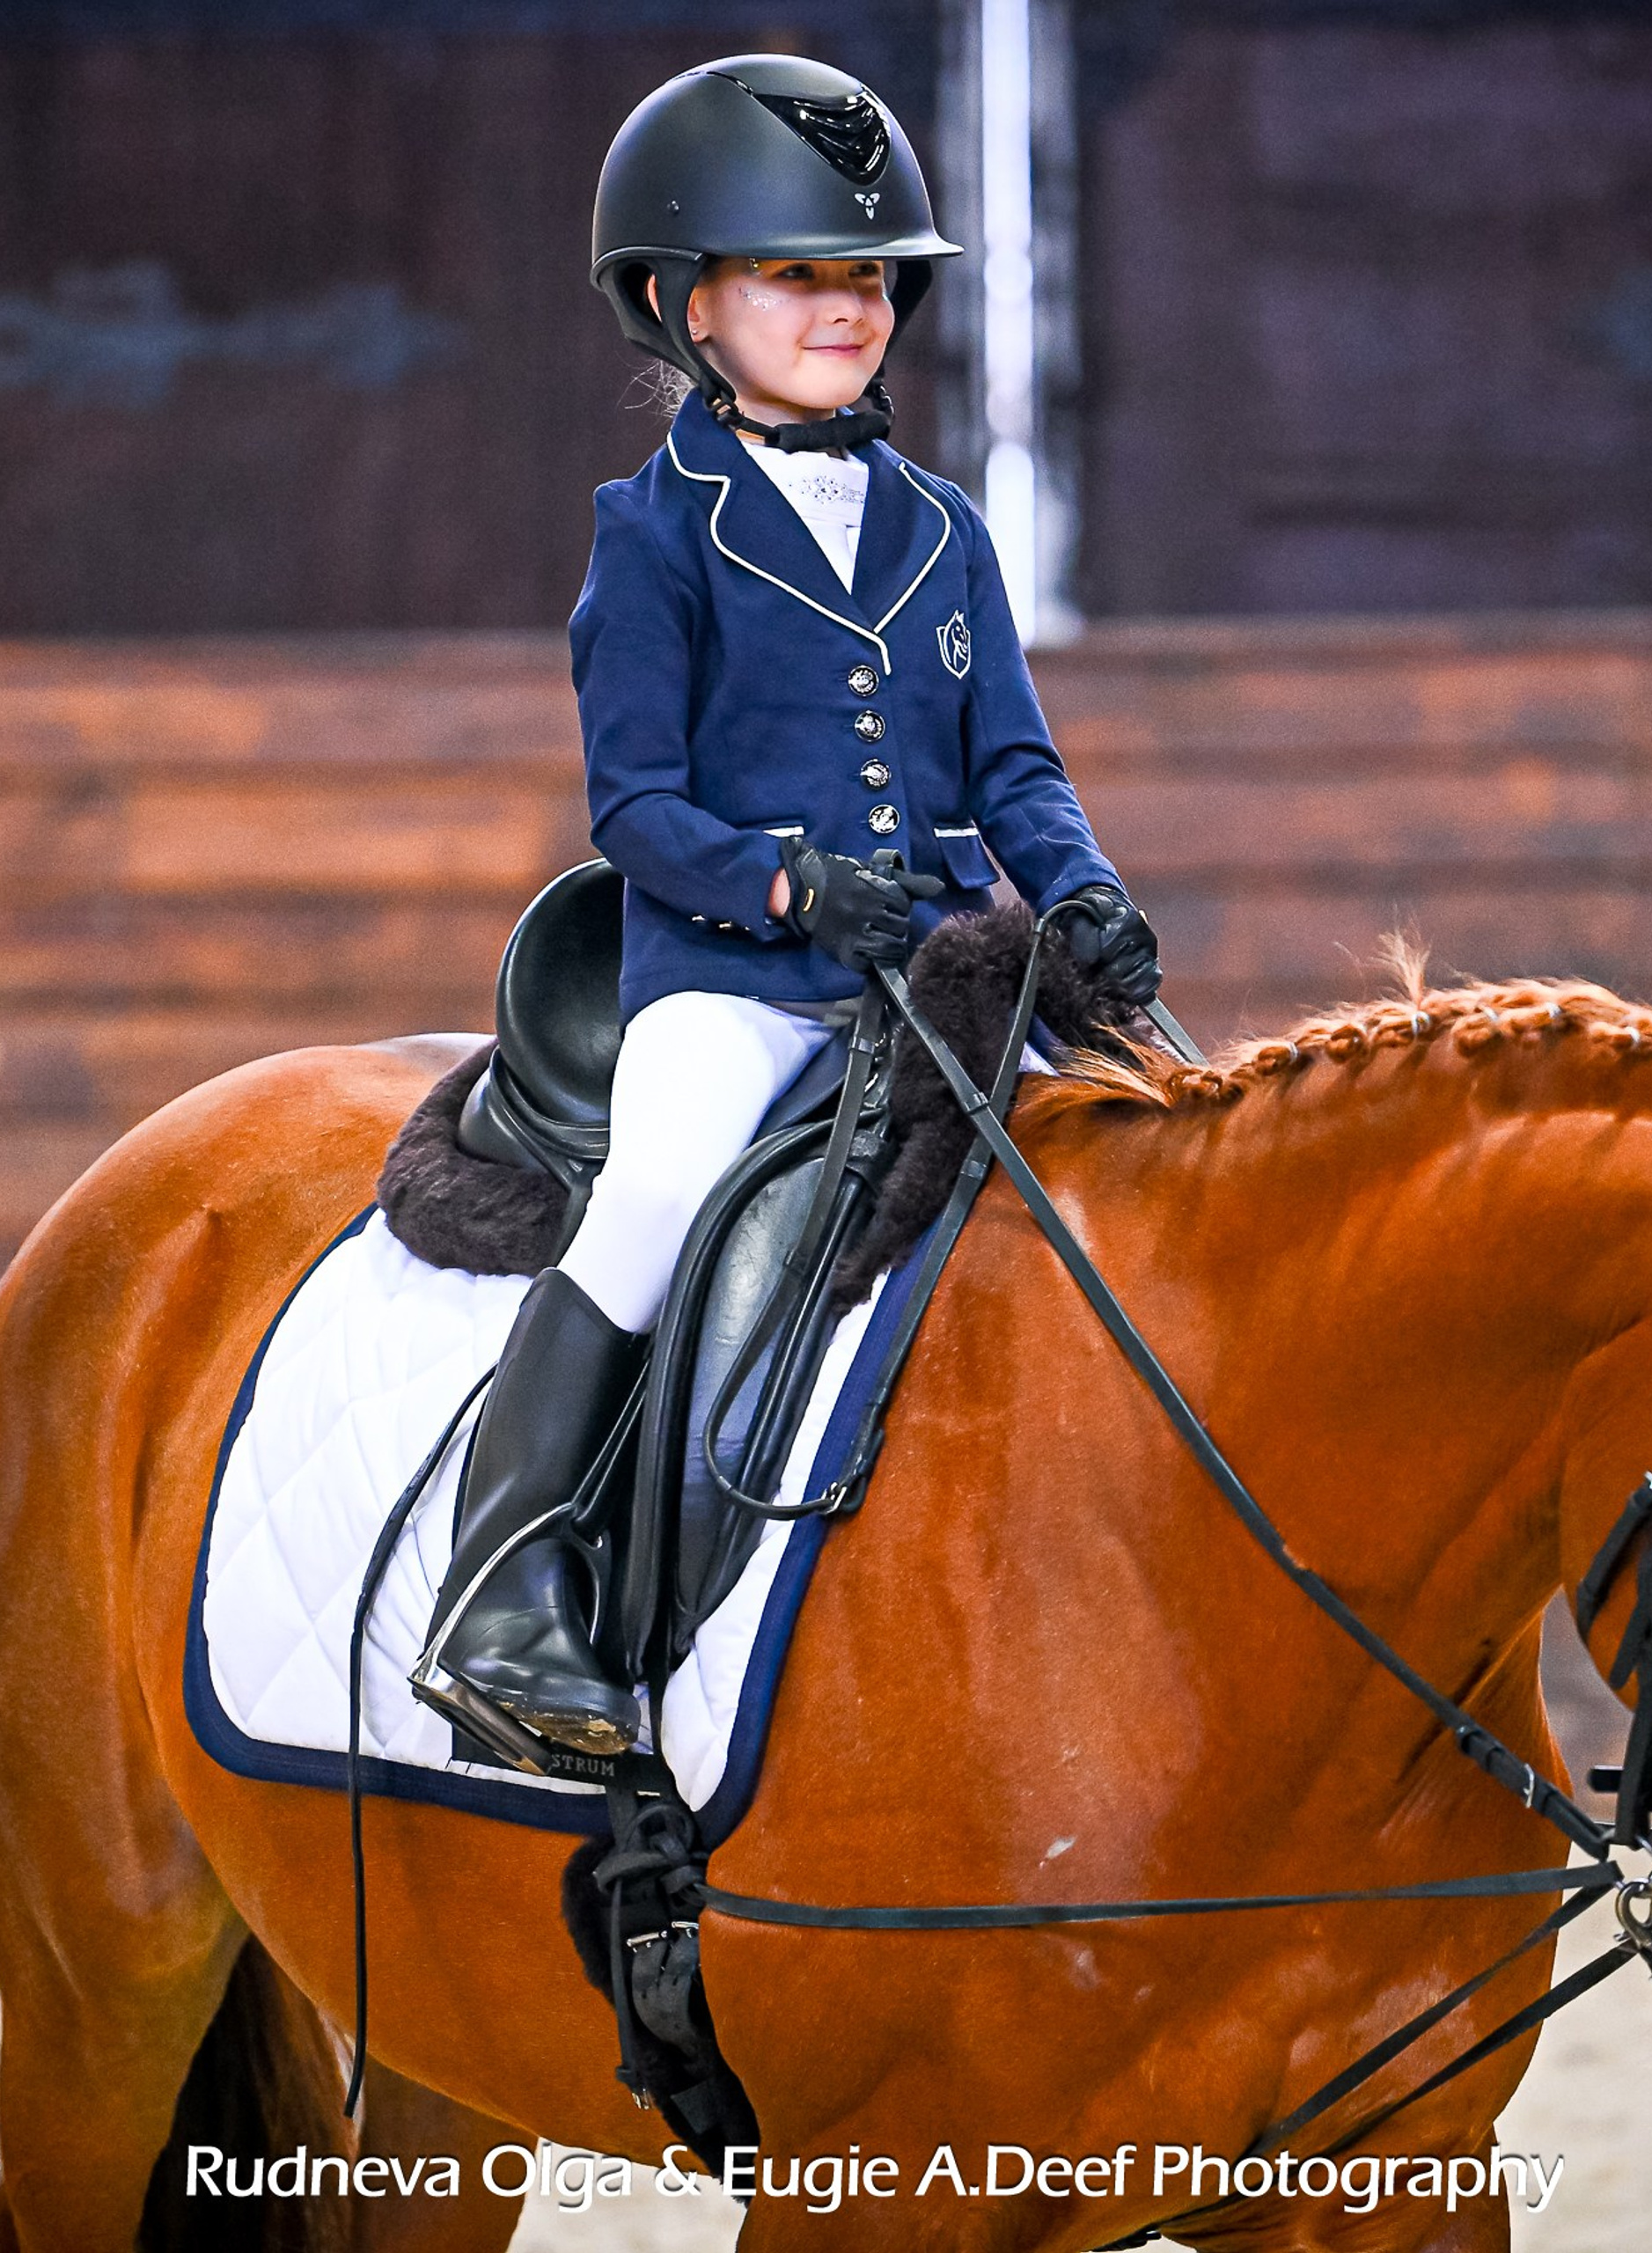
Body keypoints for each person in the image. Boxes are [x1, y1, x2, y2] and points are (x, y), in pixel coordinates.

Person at [415, 54, 1159, 1761]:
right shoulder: (649, 536)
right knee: (663, 1184)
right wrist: (784, 878)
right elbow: (635, 808)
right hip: (734, 978)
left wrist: (1084, 895)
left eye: (867, 274)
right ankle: (508, 1581)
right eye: (797, 272)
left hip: (939, 975)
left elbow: (1017, 773)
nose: (847, 306)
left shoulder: (944, 529)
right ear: (684, 303)